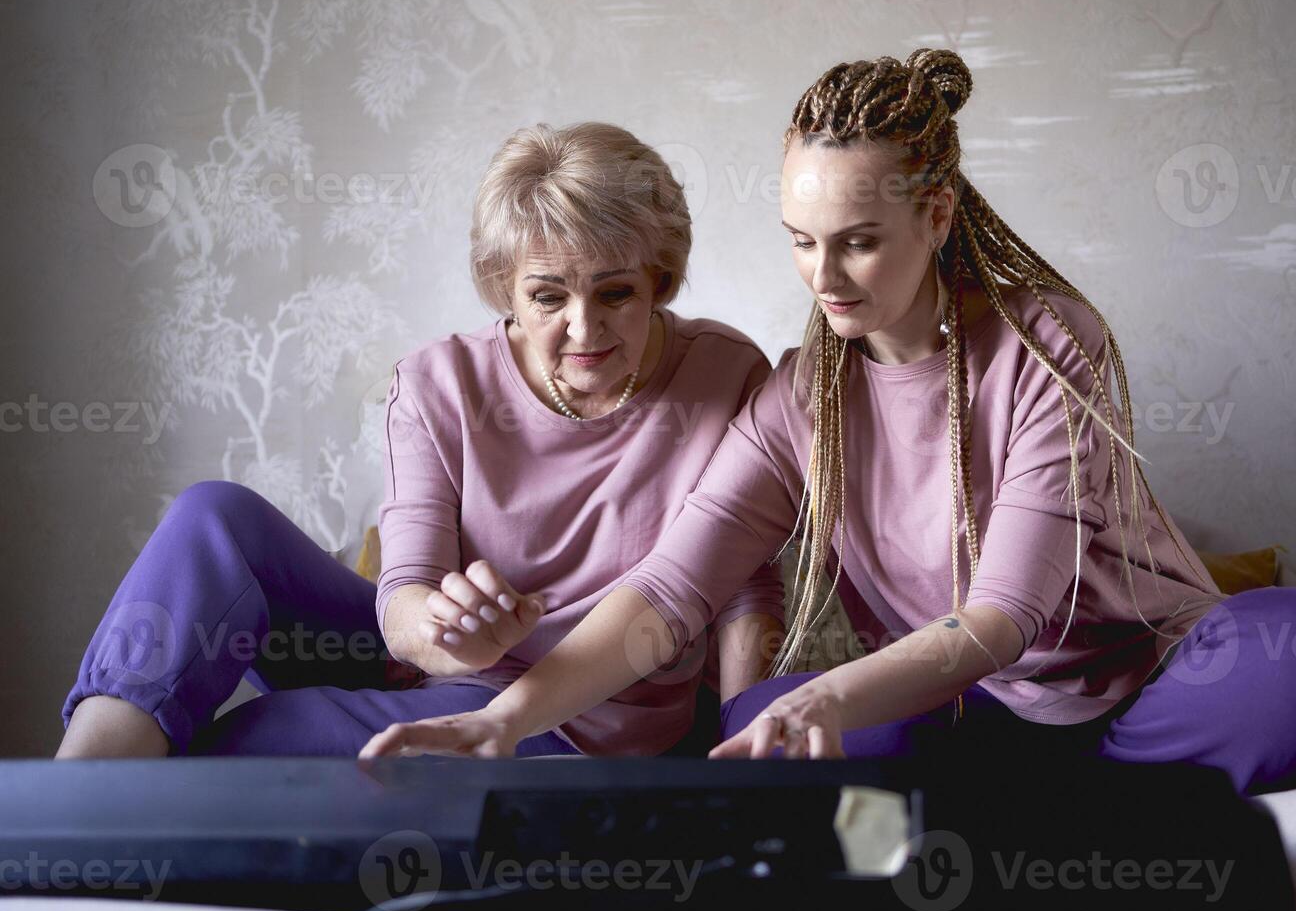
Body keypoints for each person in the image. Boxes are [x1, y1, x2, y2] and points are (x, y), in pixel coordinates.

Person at [357, 53, 1296, 797]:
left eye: (858, 240)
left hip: (1148, 694)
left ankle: (1082, 800)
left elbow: (1004, 619)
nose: (824, 275)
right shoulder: (792, 398)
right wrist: (501, 719)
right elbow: (667, 594)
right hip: (975, 718)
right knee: (786, 750)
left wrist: (830, 700)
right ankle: (1055, 813)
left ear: (936, 213)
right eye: (802, 241)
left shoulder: (1049, 343)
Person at [57, 121, 785, 759]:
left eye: (616, 292)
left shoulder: (725, 373)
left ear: (659, 278)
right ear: (505, 286)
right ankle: (74, 791)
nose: (584, 328)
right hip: (430, 664)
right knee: (212, 517)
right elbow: (404, 592)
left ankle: (103, 815)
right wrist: (449, 636)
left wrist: (735, 740)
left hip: (572, 722)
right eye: (547, 296)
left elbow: (742, 584)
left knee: (254, 740)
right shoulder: (439, 382)